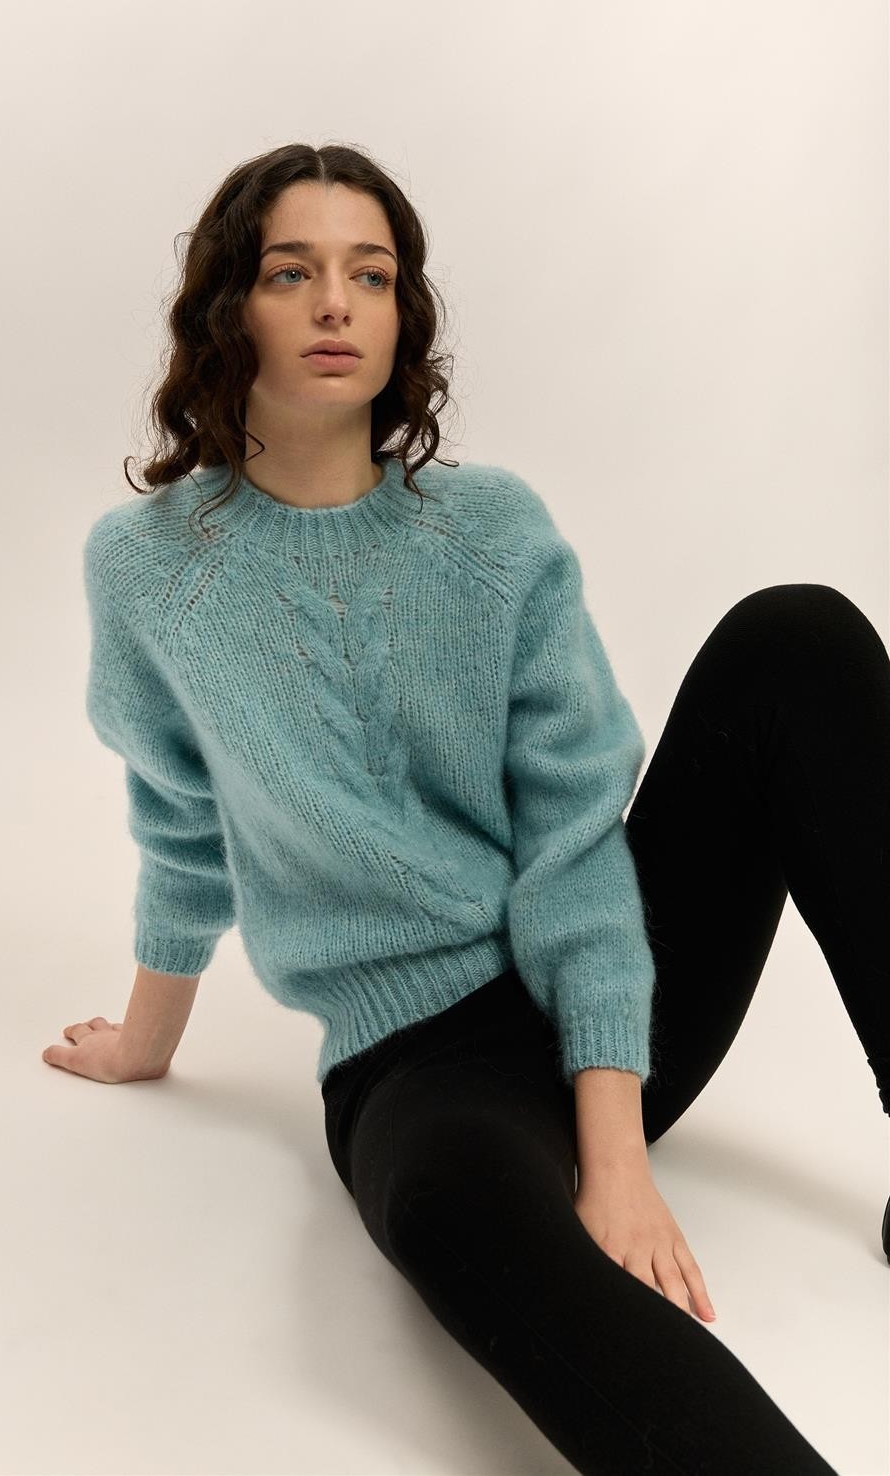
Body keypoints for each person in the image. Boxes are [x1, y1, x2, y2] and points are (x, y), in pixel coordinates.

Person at [43, 143, 888, 1475]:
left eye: (371, 275)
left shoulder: (490, 534)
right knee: (447, 1214)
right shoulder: (148, 570)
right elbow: (178, 813)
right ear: (227, 308)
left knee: (797, 640)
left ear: (404, 317)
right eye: (292, 272)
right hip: (418, 1066)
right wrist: (146, 1041)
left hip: (610, 980)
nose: (337, 303)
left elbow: (572, 840)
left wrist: (615, 1152)